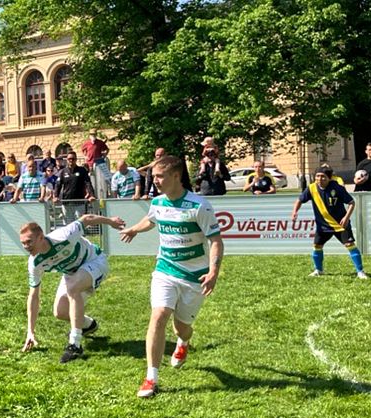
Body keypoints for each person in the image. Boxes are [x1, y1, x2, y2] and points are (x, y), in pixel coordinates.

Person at [119, 156, 224, 398]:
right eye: (153, 176)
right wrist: (135, 228)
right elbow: (151, 219)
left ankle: (183, 342)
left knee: (181, 327)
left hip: (193, 278)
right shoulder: (157, 202)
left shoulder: (199, 206)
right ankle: (151, 378)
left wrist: (213, 272)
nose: (154, 181)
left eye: (159, 176)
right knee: (158, 316)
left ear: (176, 176)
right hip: (165, 270)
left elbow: (215, 240)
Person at [20, 214, 125, 363]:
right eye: (23, 243)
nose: (26, 247)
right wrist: (30, 331)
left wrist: (111, 222)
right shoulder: (34, 263)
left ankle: (75, 344)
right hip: (72, 273)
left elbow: (87, 219)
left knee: (73, 288)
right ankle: (88, 325)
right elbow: (33, 296)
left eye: (29, 242)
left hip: (95, 261)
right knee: (60, 312)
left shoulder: (63, 236)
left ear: (41, 237)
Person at [291, 166, 367, 279]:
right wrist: (294, 211)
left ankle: (360, 271)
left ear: (329, 178)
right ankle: (318, 270)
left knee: (350, 245)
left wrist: (346, 217)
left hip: (340, 225)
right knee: (317, 246)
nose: (320, 179)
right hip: (323, 226)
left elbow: (352, 202)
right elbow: (299, 200)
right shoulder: (311, 188)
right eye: (317, 176)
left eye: (323, 177)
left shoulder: (337, 188)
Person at [81, 132, 111, 196]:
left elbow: (107, 149)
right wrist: (85, 156)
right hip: (89, 164)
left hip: (98, 164)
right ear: (89, 135)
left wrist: (104, 155)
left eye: (94, 134)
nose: (93, 136)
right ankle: (90, 194)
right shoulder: (86, 143)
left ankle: (101, 194)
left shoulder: (100, 142)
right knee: (90, 180)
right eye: (92, 134)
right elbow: (83, 150)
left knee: (100, 181)